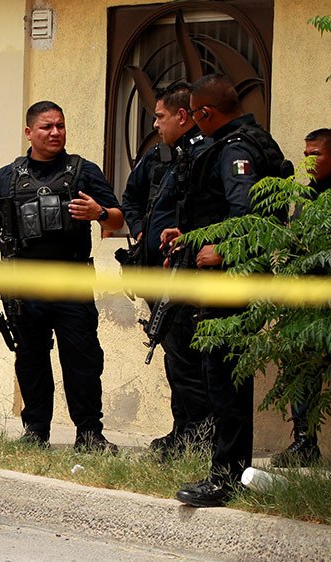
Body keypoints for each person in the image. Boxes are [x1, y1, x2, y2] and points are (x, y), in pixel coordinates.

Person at [162, 74, 289, 507]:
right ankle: (230, 471)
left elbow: (246, 212)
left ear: (205, 113)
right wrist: (193, 236)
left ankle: (226, 479)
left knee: (224, 380)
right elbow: (225, 212)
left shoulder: (235, 149)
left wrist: (222, 250)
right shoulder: (253, 139)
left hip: (229, 281)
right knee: (225, 377)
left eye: (196, 117)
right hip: (236, 277)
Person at [0, 101, 124, 452]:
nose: (55, 132)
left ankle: (89, 434)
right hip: (24, 286)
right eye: (46, 127)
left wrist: (99, 213)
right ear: (29, 132)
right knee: (30, 359)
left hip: (72, 281)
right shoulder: (6, 177)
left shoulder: (84, 171)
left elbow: (118, 219)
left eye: (60, 126)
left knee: (82, 360)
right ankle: (36, 432)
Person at [122, 82, 213, 457]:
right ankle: (183, 429)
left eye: (160, 116)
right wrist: (140, 231)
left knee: (189, 358)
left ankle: (199, 434)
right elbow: (130, 199)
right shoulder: (157, 157)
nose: (155, 124)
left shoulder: (205, 154)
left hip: (187, 275)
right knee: (174, 357)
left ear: (182, 116)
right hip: (154, 274)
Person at [270, 128, 331, 468]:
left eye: (315, 155)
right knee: (301, 368)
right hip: (306, 302)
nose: (308, 162)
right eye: (305, 156)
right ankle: (304, 442)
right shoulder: (305, 196)